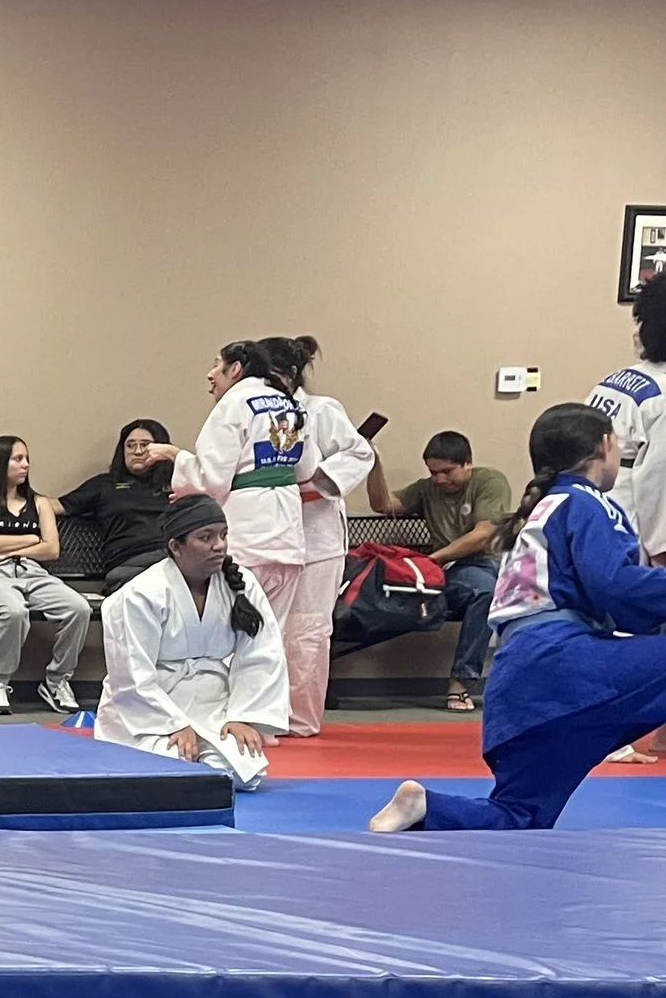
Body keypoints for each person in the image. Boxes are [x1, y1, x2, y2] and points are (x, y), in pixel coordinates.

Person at [373, 404, 666, 834]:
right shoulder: (584, 502)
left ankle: (424, 807)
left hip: (516, 690)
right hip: (564, 669)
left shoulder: (540, 511)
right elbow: (614, 586)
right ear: (604, 447)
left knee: (520, 816)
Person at [142, 342, 313, 741]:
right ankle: (265, 723)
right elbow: (306, 468)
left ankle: (232, 720)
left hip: (248, 528)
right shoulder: (290, 404)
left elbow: (211, 480)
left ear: (236, 368)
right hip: (287, 528)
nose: (210, 374)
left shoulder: (234, 405)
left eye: (216, 365)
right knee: (273, 632)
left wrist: (175, 458)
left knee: (234, 626)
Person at [95, 494, 290, 790]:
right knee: (172, 769)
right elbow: (131, 675)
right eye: (206, 537)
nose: (219, 545)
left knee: (242, 773)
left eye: (223, 535)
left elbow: (262, 655)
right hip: (149, 707)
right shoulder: (142, 594)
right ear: (176, 547)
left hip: (212, 702)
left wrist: (242, 716)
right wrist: (174, 723)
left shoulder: (241, 584)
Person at [255, 334, 372, 736]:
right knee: (266, 625)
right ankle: (262, 712)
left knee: (306, 628)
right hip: (267, 533)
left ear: (288, 374)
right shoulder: (252, 411)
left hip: (315, 534)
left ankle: (298, 717)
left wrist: (316, 486)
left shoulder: (321, 410)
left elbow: (360, 454)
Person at [362, 428, 509, 712]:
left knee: (492, 589)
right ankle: (462, 682)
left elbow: (483, 534)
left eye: (448, 471)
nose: (440, 479)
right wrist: (374, 463)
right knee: (486, 592)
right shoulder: (427, 489)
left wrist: (434, 559)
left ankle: (474, 681)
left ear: (468, 462)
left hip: (485, 561)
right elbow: (383, 504)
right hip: (457, 572)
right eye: (433, 472)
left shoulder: (489, 481)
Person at [0, 434, 87, 715]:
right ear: (0, 463)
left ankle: (56, 681)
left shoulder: (39, 503)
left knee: (78, 608)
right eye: (18, 459)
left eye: (26, 458)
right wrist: (32, 537)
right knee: (15, 612)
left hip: (33, 573)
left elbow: (52, 549)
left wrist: (8, 549)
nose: (25, 465)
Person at [586, 273, 666, 555]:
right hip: (633, 534)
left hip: (592, 520)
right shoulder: (662, 399)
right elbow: (658, 489)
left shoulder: (615, 380)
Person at [57, 418, 173, 592]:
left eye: (145, 445)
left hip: (172, 561)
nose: (137, 451)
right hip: (130, 564)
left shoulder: (177, 483)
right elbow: (56, 506)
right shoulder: (105, 485)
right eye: (130, 445)